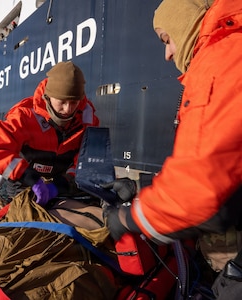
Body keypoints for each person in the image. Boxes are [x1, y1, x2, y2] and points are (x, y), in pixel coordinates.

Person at [103, 0, 242, 297]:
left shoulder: (221, 60)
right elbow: (227, 165)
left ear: (187, 22)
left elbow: (203, 196)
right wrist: (143, 185)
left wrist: (130, 217)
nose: (167, 54)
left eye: (167, 39)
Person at [0, 61, 99, 209]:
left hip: (62, 187)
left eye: (74, 102)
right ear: (48, 97)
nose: (68, 109)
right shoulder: (24, 117)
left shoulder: (87, 119)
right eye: (62, 102)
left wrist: (62, 184)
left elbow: (87, 159)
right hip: (25, 187)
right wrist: (30, 178)